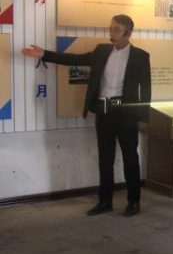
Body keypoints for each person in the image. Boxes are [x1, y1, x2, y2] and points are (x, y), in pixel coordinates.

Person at [20, 14, 151, 217]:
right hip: (104, 112)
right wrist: (44, 54)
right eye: (110, 28)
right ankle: (105, 201)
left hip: (127, 113)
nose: (111, 32)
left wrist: (143, 118)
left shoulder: (141, 56)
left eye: (116, 29)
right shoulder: (101, 51)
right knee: (105, 160)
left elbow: (147, 88)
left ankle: (134, 202)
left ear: (128, 33)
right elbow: (75, 59)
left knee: (130, 159)